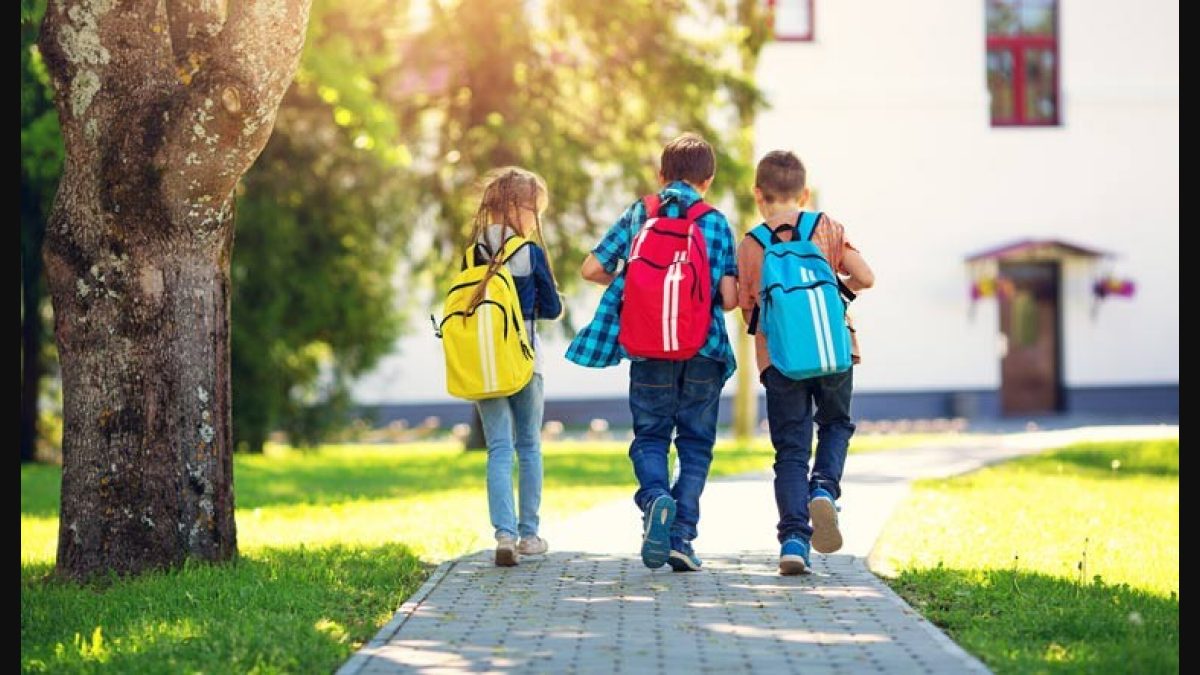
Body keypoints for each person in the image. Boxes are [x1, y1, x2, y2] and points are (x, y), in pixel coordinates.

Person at [569, 133, 739, 572]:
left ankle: (655, 498)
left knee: (650, 437)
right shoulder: (716, 221)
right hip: (704, 348)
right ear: (709, 180)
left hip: (648, 347)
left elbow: (591, 269)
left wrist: (639, 286)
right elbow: (731, 296)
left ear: (661, 175)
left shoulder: (638, 213)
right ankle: (682, 536)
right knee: (696, 444)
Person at [736, 150, 875, 575]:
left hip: (780, 359)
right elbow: (866, 277)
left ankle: (794, 540)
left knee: (791, 450)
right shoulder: (826, 227)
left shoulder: (752, 244)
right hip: (834, 352)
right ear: (805, 192)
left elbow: (747, 311)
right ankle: (825, 490)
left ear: (759, 195)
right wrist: (838, 292)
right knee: (835, 425)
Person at [468, 167, 563, 566]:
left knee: (498, 448)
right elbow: (553, 309)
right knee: (528, 446)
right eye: (533, 209)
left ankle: (503, 535)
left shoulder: (474, 252)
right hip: (524, 360)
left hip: (484, 364)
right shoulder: (529, 252)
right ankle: (529, 535)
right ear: (518, 209)